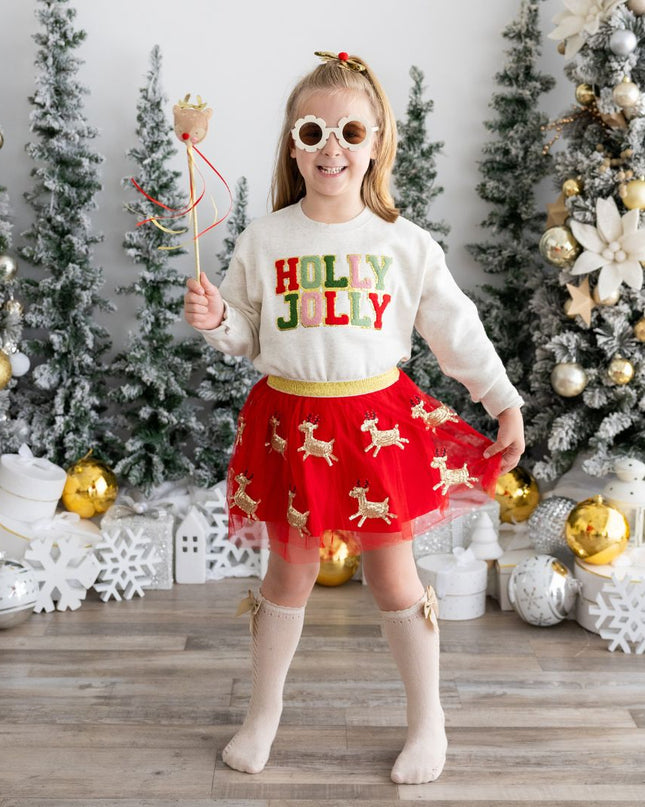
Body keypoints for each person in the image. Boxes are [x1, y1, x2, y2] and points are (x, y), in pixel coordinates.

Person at [184, 51, 524, 785]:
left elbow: (454, 329)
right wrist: (218, 320)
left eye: (348, 130)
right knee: (287, 575)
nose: (330, 145)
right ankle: (263, 712)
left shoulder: (402, 244)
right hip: (290, 425)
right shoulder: (264, 239)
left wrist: (501, 399)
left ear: (375, 145)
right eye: (313, 130)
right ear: (292, 145)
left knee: (394, 578)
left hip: (376, 424)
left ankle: (426, 718)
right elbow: (248, 336)